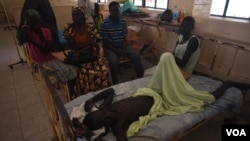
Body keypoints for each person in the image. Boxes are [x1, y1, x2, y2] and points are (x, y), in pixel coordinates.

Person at [72, 53, 250, 141]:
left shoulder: (105, 108)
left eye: (102, 113)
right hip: (164, 100)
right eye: (105, 118)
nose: (107, 114)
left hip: (154, 91)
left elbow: (109, 92)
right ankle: (228, 84)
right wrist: (89, 135)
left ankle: (176, 76)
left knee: (165, 59)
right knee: (206, 99)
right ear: (104, 125)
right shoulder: (118, 126)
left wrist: (92, 100)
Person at [16, 9, 77, 96]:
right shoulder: (28, 32)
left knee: (72, 66)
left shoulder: (46, 31)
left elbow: (46, 50)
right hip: (40, 62)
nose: (37, 23)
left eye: (38, 21)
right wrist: (26, 24)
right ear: (29, 24)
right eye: (33, 22)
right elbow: (20, 38)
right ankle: (71, 93)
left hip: (49, 58)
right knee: (70, 70)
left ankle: (70, 89)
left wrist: (32, 41)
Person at [100, 1, 144, 84]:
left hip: (122, 46)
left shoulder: (123, 21)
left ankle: (141, 79)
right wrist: (117, 51)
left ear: (120, 10)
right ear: (110, 11)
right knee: (114, 61)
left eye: (117, 10)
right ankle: (116, 84)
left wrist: (123, 49)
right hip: (110, 48)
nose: (115, 13)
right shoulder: (104, 24)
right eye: (113, 11)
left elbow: (124, 38)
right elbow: (105, 42)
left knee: (136, 56)